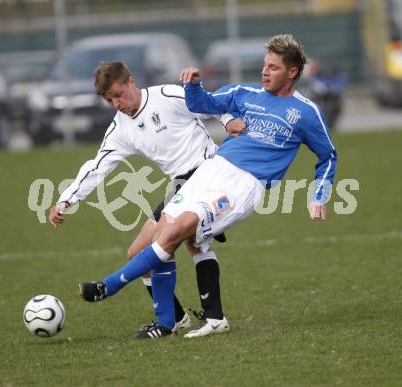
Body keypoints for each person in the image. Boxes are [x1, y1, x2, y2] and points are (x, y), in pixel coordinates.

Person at [79, 34, 338, 339]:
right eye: (264, 65)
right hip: (212, 169)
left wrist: (319, 194)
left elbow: (328, 156)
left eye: (273, 67)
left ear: (292, 72)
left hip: (244, 184)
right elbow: (204, 104)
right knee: (165, 236)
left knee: (178, 231)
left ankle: (109, 286)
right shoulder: (244, 92)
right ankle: (173, 322)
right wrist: (192, 84)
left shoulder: (306, 112)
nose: (264, 72)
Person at [49, 61, 241, 338]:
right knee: (139, 253)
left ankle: (193, 319)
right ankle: (177, 317)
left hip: (208, 171)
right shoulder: (120, 128)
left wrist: (228, 122)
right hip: (181, 185)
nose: (116, 103)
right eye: (108, 99)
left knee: (177, 244)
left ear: (131, 81)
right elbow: (98, 165)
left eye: (118, 94)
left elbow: (210, 103)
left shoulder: (167, 96)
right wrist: (67, 199)